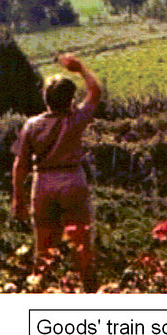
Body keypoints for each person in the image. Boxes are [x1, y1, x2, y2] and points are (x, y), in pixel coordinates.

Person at [12, 53, 102, 292]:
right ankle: (89, 292)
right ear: (70, 99)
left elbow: (20, 165)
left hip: (43, 183)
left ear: (46, 99)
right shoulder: (75, 120)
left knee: (43, 250)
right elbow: (96, 93)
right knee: (82, 247)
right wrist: (81, 68)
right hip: (72, 179)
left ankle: (40, 292)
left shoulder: (31, 126)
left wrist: (18, 197)